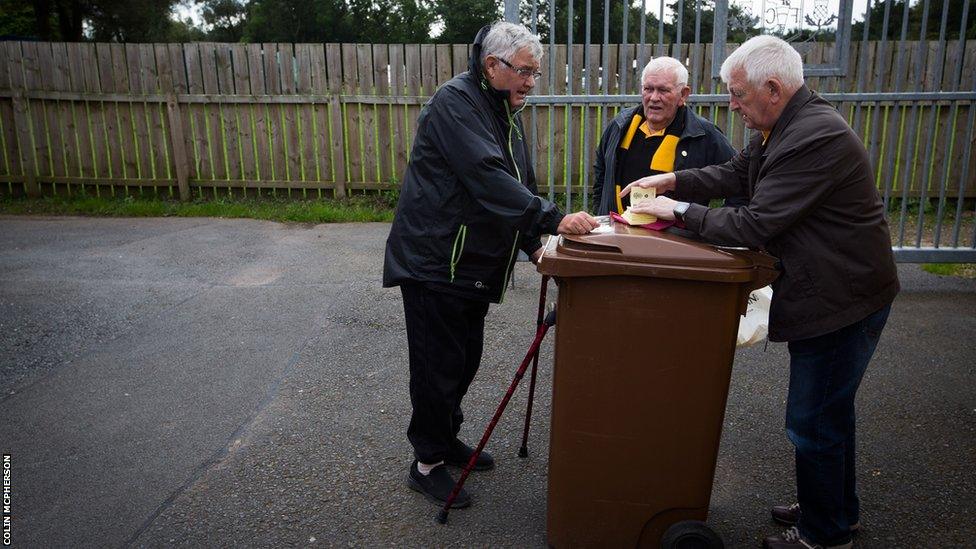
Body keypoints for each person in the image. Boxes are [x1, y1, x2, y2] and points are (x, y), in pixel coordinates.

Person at [621, 36, 899, 549]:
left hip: (844, 299)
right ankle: (832, 508)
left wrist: (676, 212)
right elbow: (735, 173)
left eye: (738, 94)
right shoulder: (782, 126)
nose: (732, 105)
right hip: (837, 287)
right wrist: (673, 181)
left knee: (813, 420)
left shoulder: (814, 136)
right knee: (829, 413)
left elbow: (756, 221)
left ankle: (824, 535)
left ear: (773, 88)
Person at [383, 22, 599, 509]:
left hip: (471, 263)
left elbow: (515, 180)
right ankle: (427, 463)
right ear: (492, 66)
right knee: (437, 367)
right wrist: (553, 219)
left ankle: (447, 438)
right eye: (524, 71)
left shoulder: (501, 109)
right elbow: (487, 177)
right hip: (436, 260)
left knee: (464, 360)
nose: (530, 81)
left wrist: (534, 243)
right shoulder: (455, 103)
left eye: (535, 73)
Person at [593, 56, 745, 216]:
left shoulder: (704, 135)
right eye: (648, 89)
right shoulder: (621, 124)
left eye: (663, 90)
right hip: (616, 233)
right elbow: (601, 170)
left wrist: (714, 225)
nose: (654, 98)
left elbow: (739, 182)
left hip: (673, 239)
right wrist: (601, 213)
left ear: (683, 95)